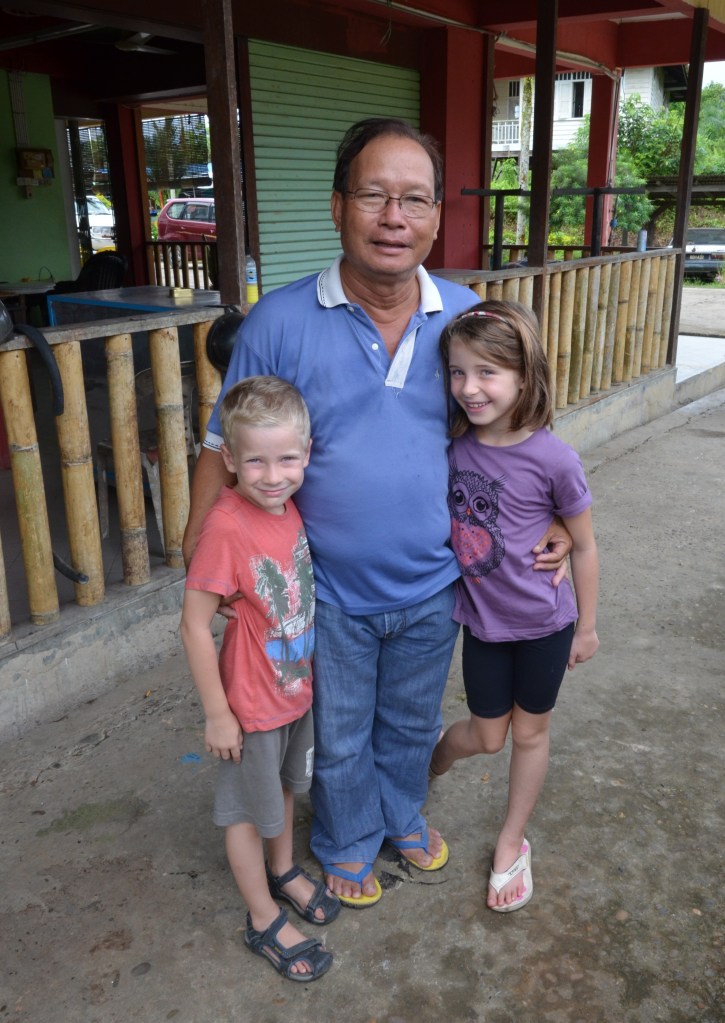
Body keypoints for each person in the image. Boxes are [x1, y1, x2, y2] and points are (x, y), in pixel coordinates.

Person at [183, 117, 570, 908]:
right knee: (341, 731)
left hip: (436, 582)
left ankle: (401, 814)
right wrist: (201, 550)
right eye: (373, 195)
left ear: (434, 216)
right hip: (327, 588)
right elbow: (223, 441)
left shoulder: (465, 317)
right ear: (337, 206)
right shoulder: (279, 321)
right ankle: (346, 837)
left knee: (410, 721)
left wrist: (556, 521)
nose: (394, 217)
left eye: (414, 199)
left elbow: (515, 431)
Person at [430, 301, 600, 912]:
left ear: (525, 377)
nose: (469, 388)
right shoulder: (450, 447)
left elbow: (584, 544)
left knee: (529, 734)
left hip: (546, 625)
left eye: (487, 372)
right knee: (485, 737)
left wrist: (588, 627)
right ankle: (431, 760)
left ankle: (511, 840)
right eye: (458, 372)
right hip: (483, 625)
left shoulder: (555, 458)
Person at [180, 376, 339, 982]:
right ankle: (262, 916)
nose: (273, 476)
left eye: (287, 460)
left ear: (306, 452)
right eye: (255, 462)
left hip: (293, 689)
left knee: (286, 787)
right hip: (250, 703)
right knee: (246, 811)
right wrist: (218, 714)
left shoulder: (286, 504)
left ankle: (283, 869)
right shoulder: (226, 525)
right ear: (229, 458)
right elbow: (193, 625)